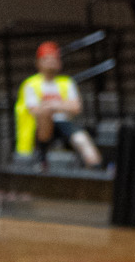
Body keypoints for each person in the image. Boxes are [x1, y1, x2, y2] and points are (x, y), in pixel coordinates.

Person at [15, 41, 104, 169]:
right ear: (39, 62)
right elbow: (34, 110)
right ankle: (42, 157)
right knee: (45, 115)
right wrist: (60, 106)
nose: (51, 62)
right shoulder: (30, 84)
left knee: (82, 139)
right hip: (39, 128)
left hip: (64, 124)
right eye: (47, 59)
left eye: (54, 59)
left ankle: (96, 168)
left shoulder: (66, 82)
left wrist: (51, 105)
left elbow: (76, 107)